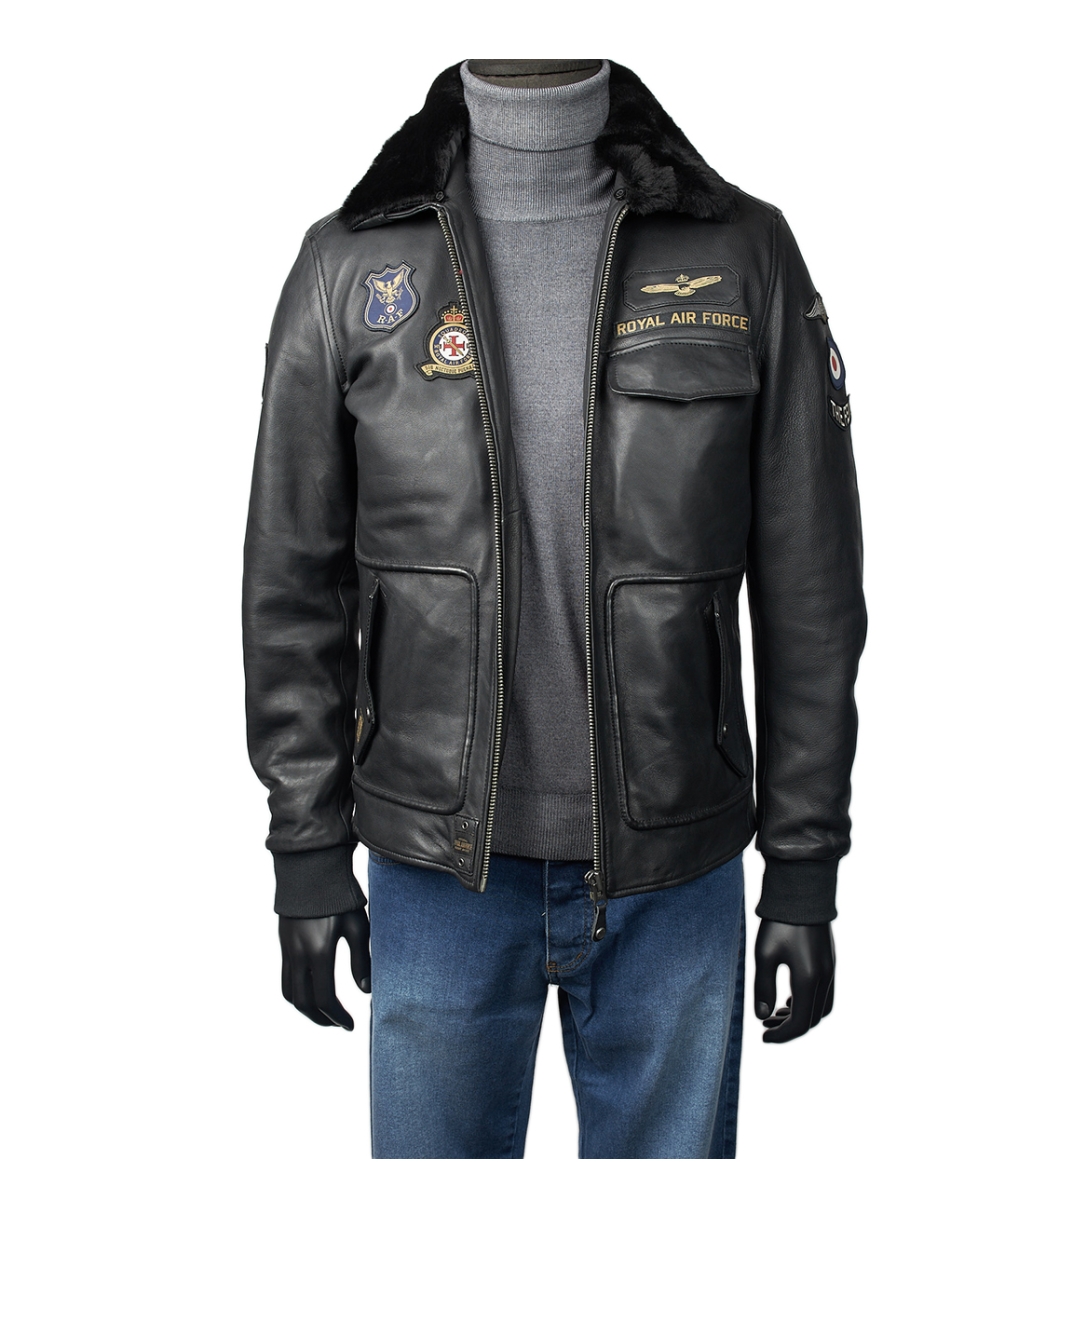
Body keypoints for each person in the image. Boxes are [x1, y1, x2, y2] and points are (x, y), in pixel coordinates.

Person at [243, 59, 866, 1158]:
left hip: (675, 869)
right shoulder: (349, 264)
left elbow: (810, 588)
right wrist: (306, 846)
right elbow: (292, 582)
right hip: (433, 868)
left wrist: (804, 865)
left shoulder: (742, 252)